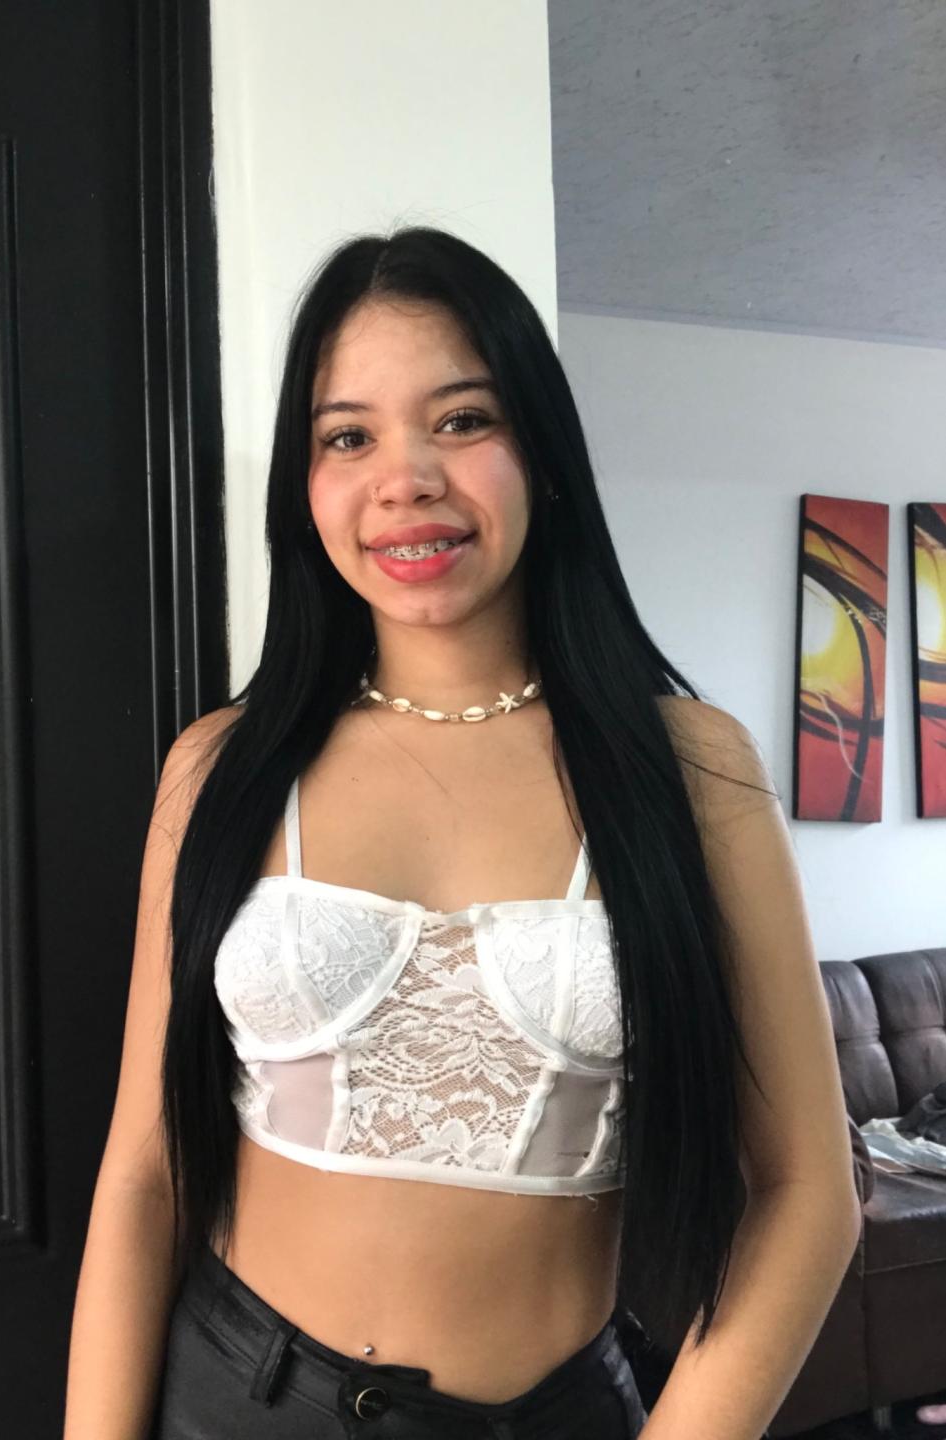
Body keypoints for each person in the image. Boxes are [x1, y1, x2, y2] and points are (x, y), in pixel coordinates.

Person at [62, 226, 862, 1440]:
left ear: (541, 451)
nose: (406, 479)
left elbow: (806, 1189)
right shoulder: (222, 766)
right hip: (233, 1399)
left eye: (462, 420)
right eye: (348, 437)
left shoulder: (690, 769)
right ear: (304, 485)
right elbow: (144, 1172)